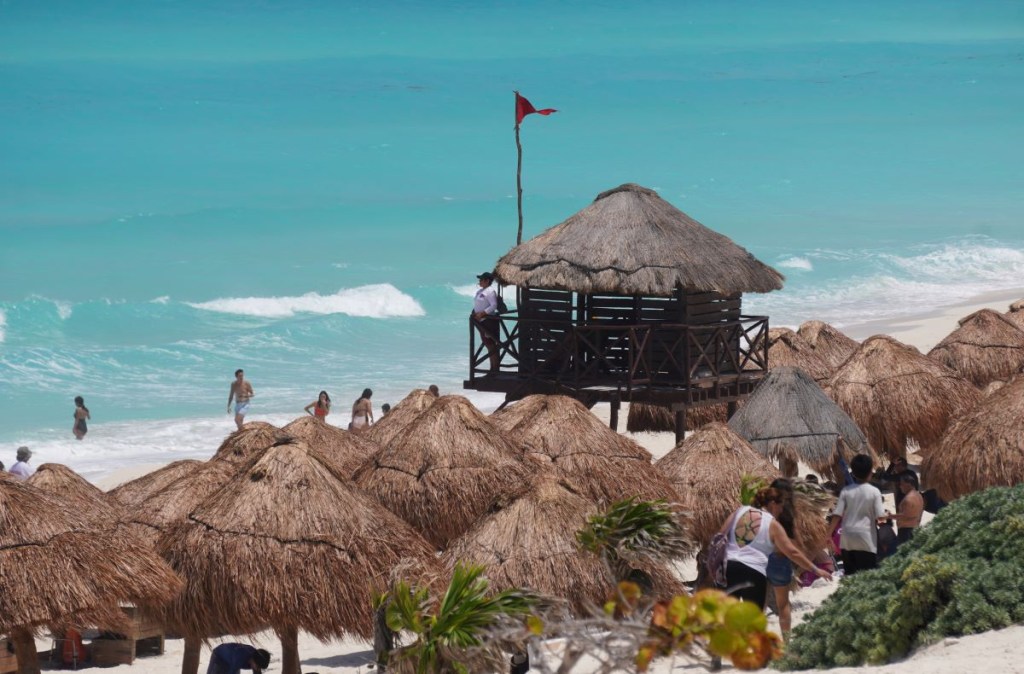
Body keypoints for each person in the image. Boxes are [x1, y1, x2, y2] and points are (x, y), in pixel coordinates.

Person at [716, 487, 832, 612]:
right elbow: (792, 552)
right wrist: (815, 569)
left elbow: (719, 538)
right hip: (753, 571)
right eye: (780, 505)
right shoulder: (772, 524)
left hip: (728, 568)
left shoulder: (740, 511)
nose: (781, 510)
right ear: (772, 504)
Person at [829, 453, 886, 575]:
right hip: (865, 538)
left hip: (848, 538)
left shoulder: (846, 491)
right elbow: (880, 518)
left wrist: (828, 535)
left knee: (851, 574)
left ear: (853, 473)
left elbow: (837, 515)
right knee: (868, 574)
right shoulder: (874, 492)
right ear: (870, 473)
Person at [472, 271, 501, 373]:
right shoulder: (480, 291)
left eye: (481, 280)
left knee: (491, 345)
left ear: (487, 281)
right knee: (487, 344)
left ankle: (495, 369)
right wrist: (475, 313)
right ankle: (492, 369)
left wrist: (482, 313)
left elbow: (493, 305)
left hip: (487, 320)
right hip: (480, 321)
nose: (479, 281)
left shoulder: (490, 291)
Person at [888, 470, 924, 551]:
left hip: (906, 531)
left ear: (908, 484)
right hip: (914, 528)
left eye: (901, 484)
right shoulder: (918, 495)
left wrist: (890, 516)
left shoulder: (908, 499)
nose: (900, 486)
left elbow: (905, 516)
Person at [206, 643, 271, 674]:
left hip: (231, 661)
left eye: (259, 668)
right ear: (254, 659)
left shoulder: (256, 661)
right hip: (219, 656)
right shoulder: (240, 656)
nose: (257, 669)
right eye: (257, 666)